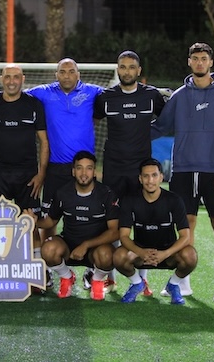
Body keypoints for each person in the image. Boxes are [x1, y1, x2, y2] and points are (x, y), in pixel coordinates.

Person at [152, 42, 214, 303]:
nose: (200, 62)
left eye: (204, 58)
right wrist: (131, 130)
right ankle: (182, 282)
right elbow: (160, 127)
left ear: (211, 62)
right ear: (189, 62)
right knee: (185, 226)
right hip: (183, 171)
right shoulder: (180, 96)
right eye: (195, 58)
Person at [93, 50, 167, 296]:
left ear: (139, 70)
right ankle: (109, 278)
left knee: (142, 222)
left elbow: (166, 120)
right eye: (123, 67)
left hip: (140, 171)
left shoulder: (152, 96)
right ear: (118, 70)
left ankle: (143, 279)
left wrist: (146, 134)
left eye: (131, 67)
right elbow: (92, 122)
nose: (127, 71)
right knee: (112, 222)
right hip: (113, 169)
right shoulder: (105, 98)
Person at [27, 58, 104, 289]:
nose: (67, 75)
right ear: (56, 74)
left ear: (78, 74)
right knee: (48, 221)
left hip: (84, 168)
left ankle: (92, 269)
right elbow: (15, 92)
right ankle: (49, 270)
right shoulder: (44, 92)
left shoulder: (92, 92)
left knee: (94, 218)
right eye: (63, 71)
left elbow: (120, 93)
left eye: (71, 71)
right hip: (56, 168)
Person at [0, 63, 49, 282]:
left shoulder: (34, 105)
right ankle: (0, 271)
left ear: (23, 79)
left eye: (16, 77)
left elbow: (44, 141)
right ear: (1, 79)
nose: (12, 81)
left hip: (29, 176)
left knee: (31, 223)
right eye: (7, 77)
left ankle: (38, 273)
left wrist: (41, 174)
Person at [36, 151, 120, 300]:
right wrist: (32, 220)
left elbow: (114, 232)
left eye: (89, 168)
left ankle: (96, 280)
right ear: (73, 171)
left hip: (95, 249)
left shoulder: (106, 194)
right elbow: (51, 221)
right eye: (79, 168)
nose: (84, 173)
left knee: (108, 255)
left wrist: (86, 245)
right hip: (69, 246)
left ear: (94, 172)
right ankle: (67, 276)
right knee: (48, 249)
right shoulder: (62, 192)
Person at [114, 158, 197, 304]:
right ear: (140, 179)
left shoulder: (174, 200)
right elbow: (124, 236)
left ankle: (173, 284)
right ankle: (137, 283)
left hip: (168, 254)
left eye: (154, 175)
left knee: (190, 256)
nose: (150, 180)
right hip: (140, 253)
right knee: (118, 257)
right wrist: (141, 252)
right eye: (146, 176)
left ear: (161, 177)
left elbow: (185, 236)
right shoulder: (129, 200)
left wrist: (165, 253)